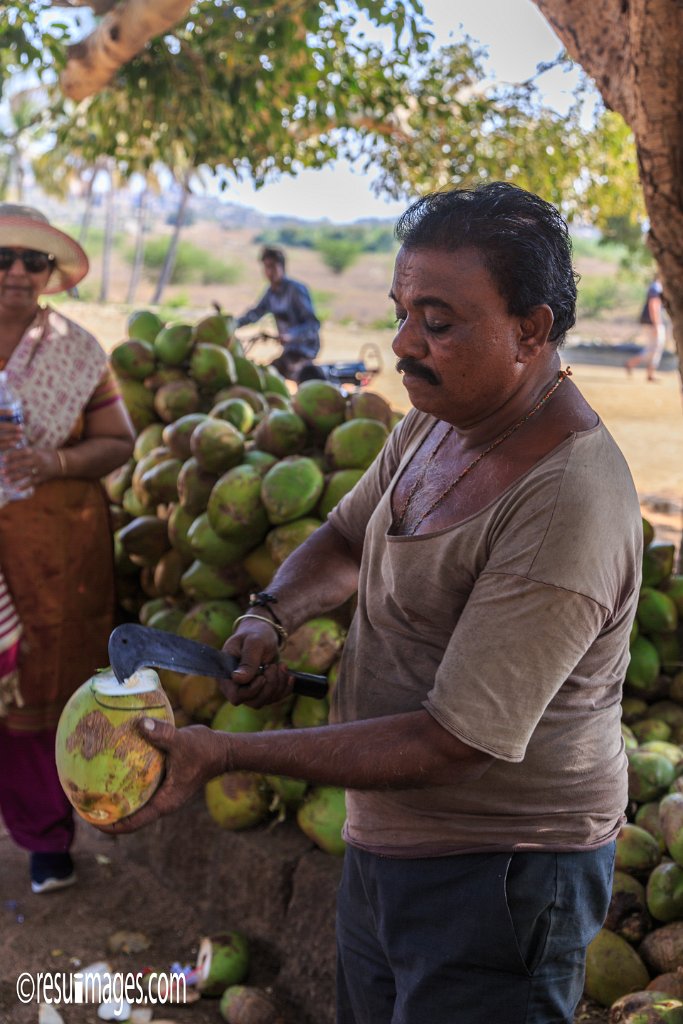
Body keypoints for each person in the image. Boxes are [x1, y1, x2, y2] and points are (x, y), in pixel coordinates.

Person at [104, 183, 642, 1024]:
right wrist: (267, 616)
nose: (402, 343)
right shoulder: (440, 418)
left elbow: (450, 740)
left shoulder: (565, 501)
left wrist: (227, 753)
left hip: (499, 875)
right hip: (386, 843)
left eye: (438, 321)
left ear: (531, 331)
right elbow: (350, 540)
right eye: (401, 311)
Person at [0, 204, 136, 894]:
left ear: (50, 275)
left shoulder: (77, 351)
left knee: (40, 698)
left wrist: (51, 463)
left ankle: (46, 839)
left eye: (34, 261)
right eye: (4, 259)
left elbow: (120, 442)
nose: (18, 272)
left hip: (52, 554)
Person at [235, 245, 321, 380]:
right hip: (288, 350)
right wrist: (232, 324)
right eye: (266, 267)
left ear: (282, 267)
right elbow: (255, 314)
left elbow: (312, 324)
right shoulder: (271, 293)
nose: (269, 271)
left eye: (273, 266)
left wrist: (291, 335)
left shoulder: (295, 290)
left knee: (273, 376)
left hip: (304, 350)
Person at [625, 276, 667, 380]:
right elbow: (653, 305)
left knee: (655, 347)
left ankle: (650, 373)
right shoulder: (656, 287)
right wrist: (656, 324)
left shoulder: (656, 287)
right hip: (652, 323)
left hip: (651, 322)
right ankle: (631, 364)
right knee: (654, 347)